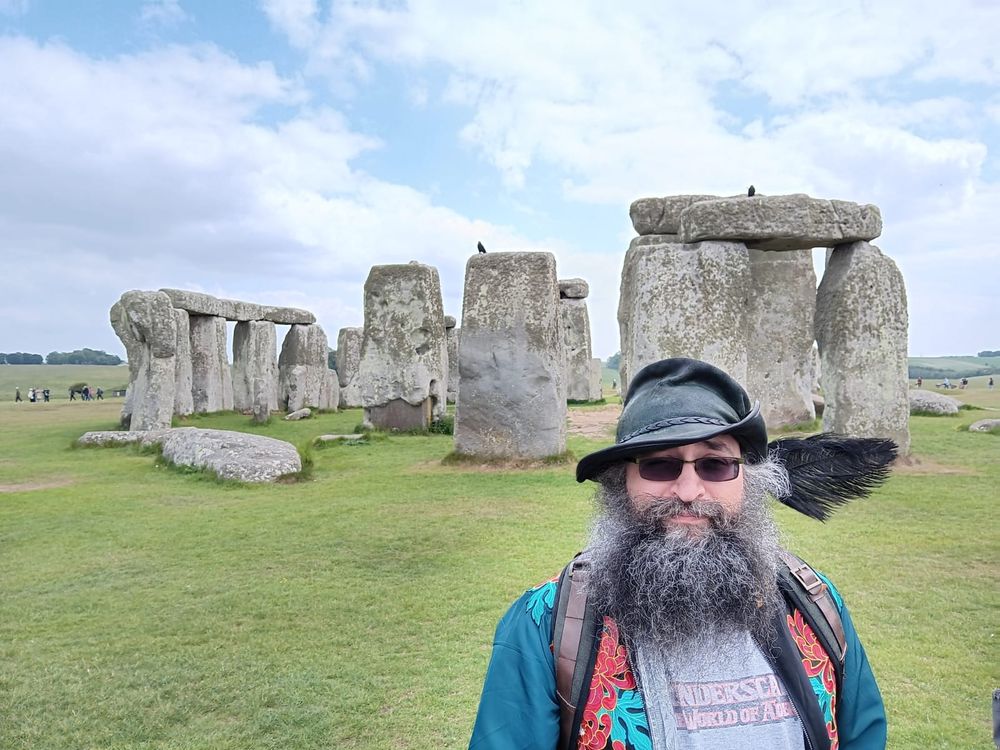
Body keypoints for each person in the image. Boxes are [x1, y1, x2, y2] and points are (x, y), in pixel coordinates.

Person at [470, 357, 894, 750]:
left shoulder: (817, 606)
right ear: (622, 482)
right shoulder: (545, 625)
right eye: (660, 465)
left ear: (748, 480)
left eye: (715, 464)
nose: (689, 492)